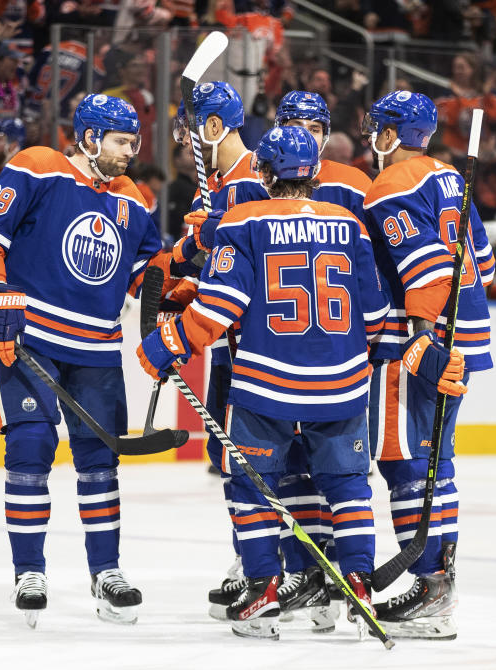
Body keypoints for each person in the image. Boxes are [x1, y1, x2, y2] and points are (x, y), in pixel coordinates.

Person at [136, 125, 389, 640]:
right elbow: (378, 310)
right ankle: (359, 585)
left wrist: (168, 344)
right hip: (341, 382)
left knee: (251, 485)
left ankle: (264, 588)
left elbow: (221, 304)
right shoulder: (348, 222)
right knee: (348, 487)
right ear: (315, 171)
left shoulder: (242, 218)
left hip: (265, 382)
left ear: (264, 172)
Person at [0, 93, 170, 628]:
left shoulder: (133, 197)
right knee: (30, 447)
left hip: (97, 348)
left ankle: (107, 572)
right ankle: (29, 572)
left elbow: (149, 274)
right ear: (91, 137)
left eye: (134, 142)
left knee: (101, 461)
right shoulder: (36, 167)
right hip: (34, 341)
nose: (130, 152)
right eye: (122, 142)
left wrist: (188, 255)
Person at [361, 90, 492, 640]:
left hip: (416, 340)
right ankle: (442, 579)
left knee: (404, 460)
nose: (373, 136)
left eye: (377, 128)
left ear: (391, 134)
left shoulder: (390, 183)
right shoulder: (453, 181)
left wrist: (421, 339)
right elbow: (481, 259)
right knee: (441, 458)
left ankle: (428, 581)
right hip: (464, 333)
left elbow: (426, 267)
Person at [264, 90, 373, 626]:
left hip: (297, 354)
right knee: (296, 472)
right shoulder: (347, 189)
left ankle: (323, 572)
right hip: (332, 354)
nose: (304, 131)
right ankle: (310, 572)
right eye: (294, 123)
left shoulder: (355, 183)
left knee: (316, 471)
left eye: (313, 123)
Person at [171, 80, 270, 617]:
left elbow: (248, 260)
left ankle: (265, 566)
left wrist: (195, 248)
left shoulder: (252, 179)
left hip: (253, 344)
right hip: (229, 342)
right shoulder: (219, 182)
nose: (188, 146)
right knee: (225, 457)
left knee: (249, 459)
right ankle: (249, 558)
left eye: (193, 135)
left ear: (213, 128)